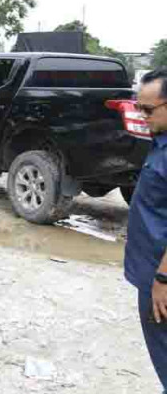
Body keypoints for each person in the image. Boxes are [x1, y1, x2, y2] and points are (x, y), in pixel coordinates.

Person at [125, 69, 167, 389]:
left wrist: (163, 279)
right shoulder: (160, 142)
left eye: (149, 110)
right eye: (139, 107)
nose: (142, 116)